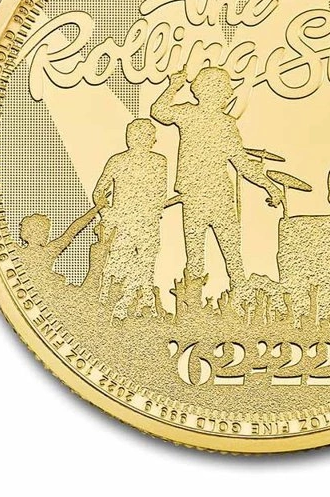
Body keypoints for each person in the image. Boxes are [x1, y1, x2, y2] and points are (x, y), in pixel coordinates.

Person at [151, 66, 283, 289]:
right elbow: (158, 112)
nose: (230, 93)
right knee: (224, 254)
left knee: (211, 254)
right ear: (213, 90)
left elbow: (242, 164)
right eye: (226, 88)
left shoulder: (218, 122)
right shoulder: (201, 117)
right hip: (205, 196)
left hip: (210, 196)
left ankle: (224, 296)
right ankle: (206, 298)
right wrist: (271, 188)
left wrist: (270, 187)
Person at [92, 119, 166, 319]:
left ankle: (145, 306)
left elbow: (160, 195)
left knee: (146, 266)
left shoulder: (159, 161)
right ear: (138, 137)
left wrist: (153, 210)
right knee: (116, 265)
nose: (155, 140)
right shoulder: (117, 161)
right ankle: (108, 305)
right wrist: (108, 213)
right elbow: (99, 192)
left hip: (147, 223)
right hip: (123, 224)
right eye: (151, 136)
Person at [17, 190, 106, 278]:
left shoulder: (47, 251)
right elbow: (73, 230)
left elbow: (74, 229)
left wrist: (97, 208)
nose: (20, 227)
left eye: (24, 226)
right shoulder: (47, 251)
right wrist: (97, 208)